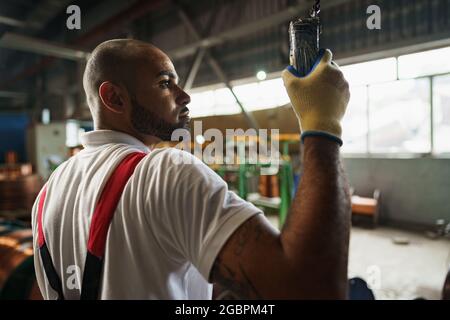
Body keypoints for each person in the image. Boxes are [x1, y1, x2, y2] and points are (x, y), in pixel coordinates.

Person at [31, 39, 351, 299]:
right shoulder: (167, 171)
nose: (184, 96)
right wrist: (322, 126)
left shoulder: (47, 194)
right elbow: (312, 289)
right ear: (114, 97)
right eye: (164, 83)